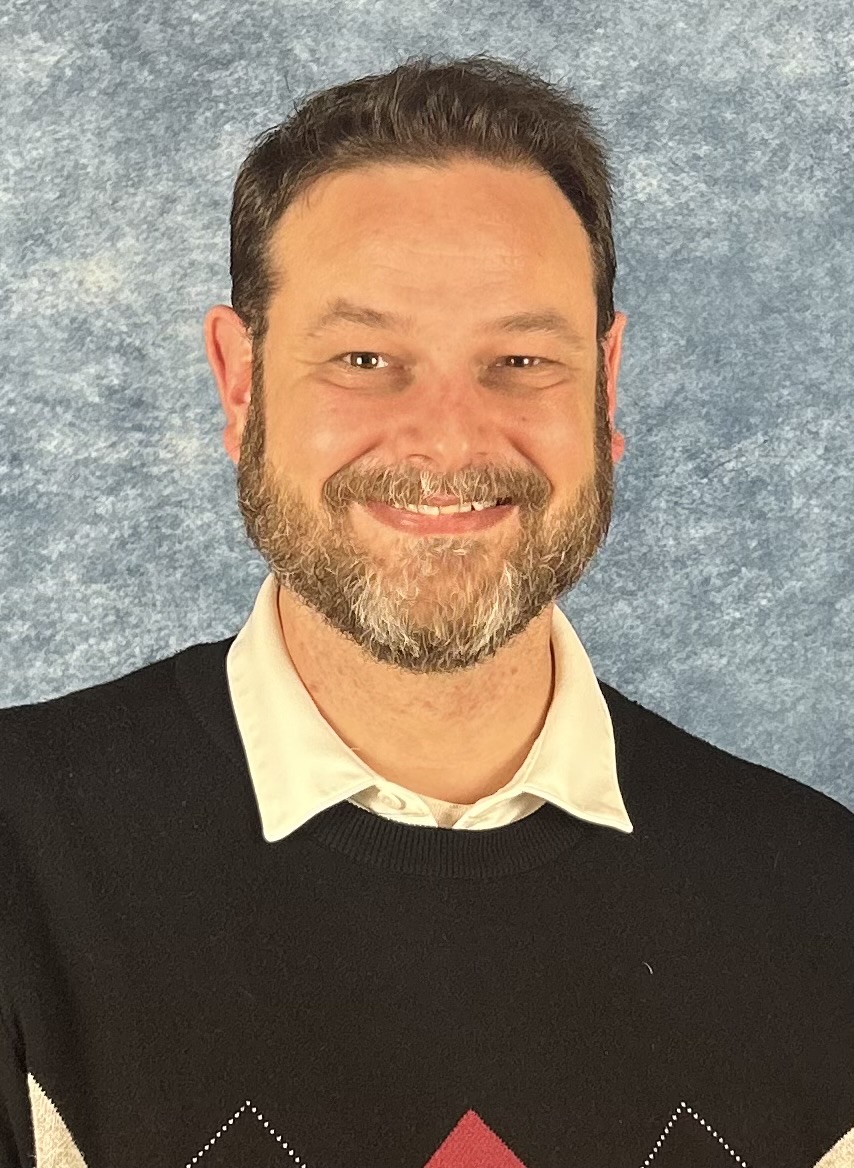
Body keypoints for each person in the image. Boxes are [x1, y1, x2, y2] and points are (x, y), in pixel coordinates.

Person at [1, 53, 851, 1168]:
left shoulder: (823, 902)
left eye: (519, 358)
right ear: (240, 383)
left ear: (605, 383)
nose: (449, 441)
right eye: (364, 357)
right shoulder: (23, 860)